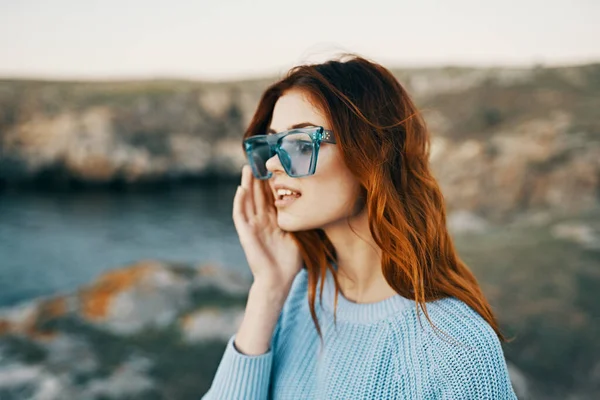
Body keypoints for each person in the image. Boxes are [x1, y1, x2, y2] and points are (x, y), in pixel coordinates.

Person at [202, 54, 518, 399]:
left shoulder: (455, 348)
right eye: (270, 143)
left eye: (300, 143)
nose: (274, 163)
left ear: (370, 153)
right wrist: (268, 288)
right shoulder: (297, 295)